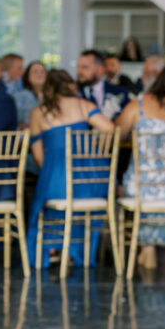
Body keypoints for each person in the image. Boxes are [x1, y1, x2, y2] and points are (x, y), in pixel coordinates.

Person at [26, 69, 113, 269]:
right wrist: (94, 149)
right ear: (71, 86)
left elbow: (38, 157)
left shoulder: (38, 113)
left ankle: (54, 247)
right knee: (81, 199)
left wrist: (53, 171)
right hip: (91, 179)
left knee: (49, 193)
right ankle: (77, 250)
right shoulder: (85, 106)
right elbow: (110, 129)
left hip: (58, 178)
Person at [117, 63, 165, 270]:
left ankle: (147, 247)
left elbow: (117, 135)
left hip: (142, 186)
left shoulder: (139, 105)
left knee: (131, 187)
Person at [76, 49, 130, 121]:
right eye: (78, 67)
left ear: (100, 70)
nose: (79, 72)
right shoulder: (73, 94)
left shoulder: (120, 92)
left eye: (85, 67)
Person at [15, 60, 46, 127]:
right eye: (35, 71)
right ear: (27, 76)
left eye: (42, 72)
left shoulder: (50, 96)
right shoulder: (22, 95)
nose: (39, 74)